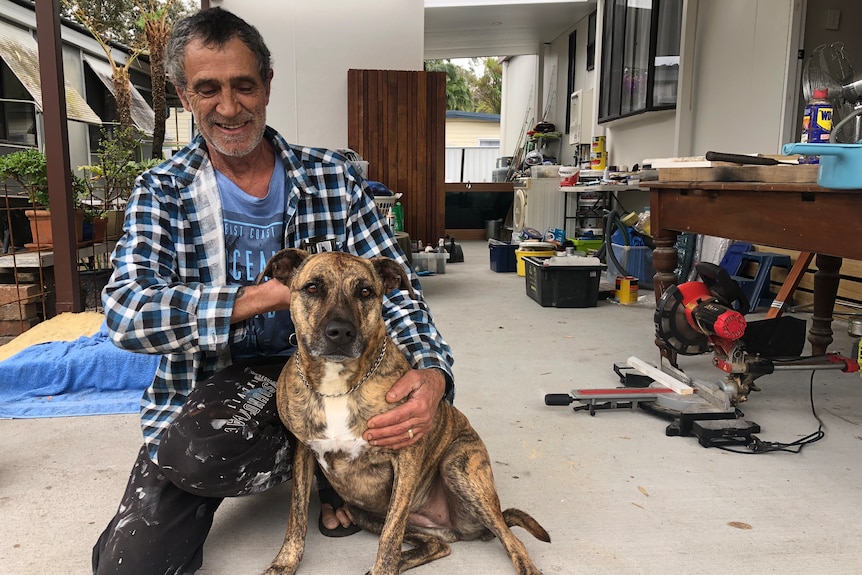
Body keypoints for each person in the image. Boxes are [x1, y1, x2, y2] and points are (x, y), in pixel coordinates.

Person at [91, 7, 454, 574]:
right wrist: (268, 296)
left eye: (244, 86)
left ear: (267, 86)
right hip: (215, 383)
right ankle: (332, 463)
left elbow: (399, 296)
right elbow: (125, 313)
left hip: (338, 376)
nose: (229, 107)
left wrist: (433, 376)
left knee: (370, 396)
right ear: (185, 96)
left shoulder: (334, 179)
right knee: (130, 563)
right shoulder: (162, 191)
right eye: (207, 89)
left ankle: (336, 464)